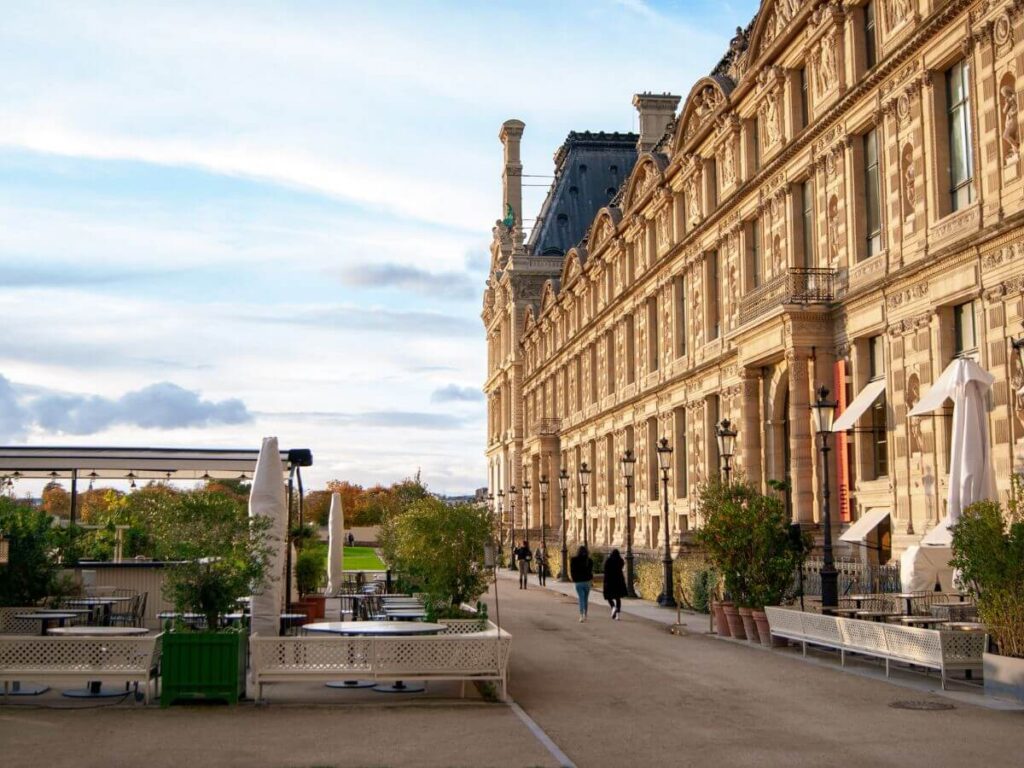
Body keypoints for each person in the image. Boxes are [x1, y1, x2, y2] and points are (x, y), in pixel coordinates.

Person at [569, 545, 594, 622]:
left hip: (579, 582)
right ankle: (585, 614)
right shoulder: (589, 560)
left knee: (581, 598)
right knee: (585, 599)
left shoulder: (574, 560)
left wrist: (574, 579)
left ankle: (581, 615)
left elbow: (572, 571)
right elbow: (590, 571)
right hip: (587, 581)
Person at [603, 549, 628, 620]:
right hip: (618, 581)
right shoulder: (621, 561)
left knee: (608, 597)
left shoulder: (608, 561)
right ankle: (618, 615)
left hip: (610, 581)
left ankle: (613, 607)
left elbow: (605, 571)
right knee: (618, 598)